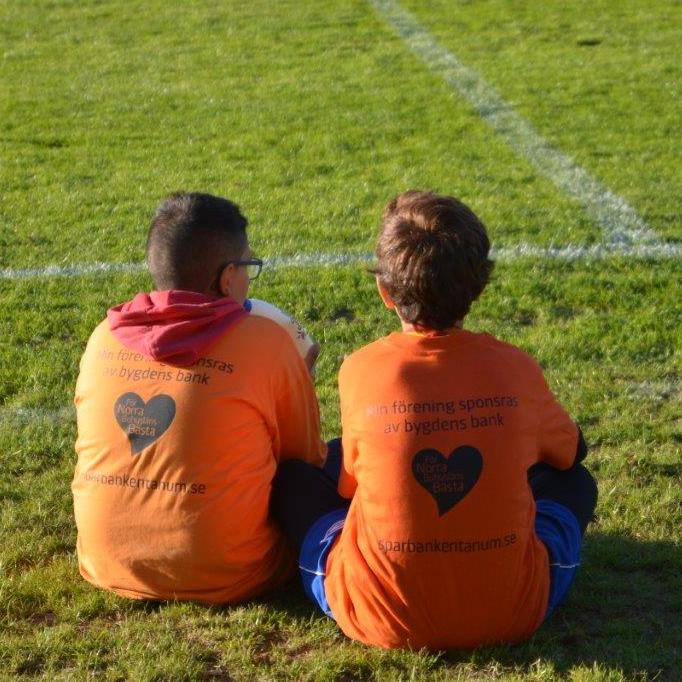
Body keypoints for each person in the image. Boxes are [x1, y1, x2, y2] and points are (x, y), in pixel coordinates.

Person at [271, 190, 598, 650]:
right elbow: (572, 454)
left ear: (385, 291)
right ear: (480, 284)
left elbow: (348, 488)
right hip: (514, 611)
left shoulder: (362, 368)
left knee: (295, 476)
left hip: (377, 616)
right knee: (573, 481)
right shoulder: (514, 368)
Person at [72, 192, 326, 603]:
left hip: (107, 562)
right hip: (232, 573)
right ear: (227, 278)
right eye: (248, 265)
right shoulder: (264, 340)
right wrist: (297, 383)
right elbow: (303, 460)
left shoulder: (103, 337)